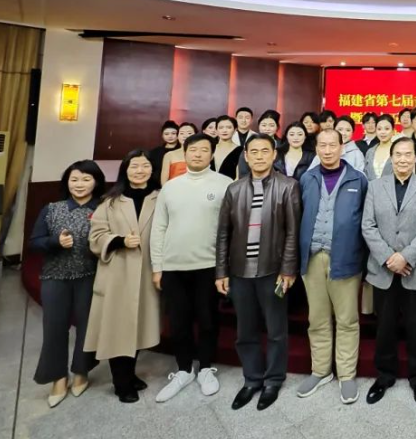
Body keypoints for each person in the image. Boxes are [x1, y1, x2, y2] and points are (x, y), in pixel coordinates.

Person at [216, 134, 301, 411]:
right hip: (240, 272)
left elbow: (292, 232)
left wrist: (288, 269)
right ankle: (251, 379)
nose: (260, 156)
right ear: (246, 155)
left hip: (272, 271)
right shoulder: (234, 189)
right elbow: (223, 233)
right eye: (254, 151)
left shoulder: (288, 186)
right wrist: (221, 272)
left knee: (276, 330)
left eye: (265, 151)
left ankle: (273, 380)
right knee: (245, 330)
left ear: (274, 155)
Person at [150, 133, 230, 403]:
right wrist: (158, 266)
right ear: (184, 153)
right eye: (193, 150)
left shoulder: (225, 184)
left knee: (208, 320)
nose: (198, 154)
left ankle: (206, 368)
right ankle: (183, 370)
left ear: (212, 154)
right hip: (173, 266)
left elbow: (231, 229)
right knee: (179, 321)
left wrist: (225, 268)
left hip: (209, 266)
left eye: (204, 150)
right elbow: (159, 228)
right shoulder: (170, 187)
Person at [362, 137, 416, 407]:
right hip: (382, 269)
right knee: (384, 326)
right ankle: (384, 375)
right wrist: (388, 258)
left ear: (415, 158)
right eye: (398, 154)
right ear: (391, 158)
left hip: (414, 269)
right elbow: (368, 226)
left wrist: (405, 257)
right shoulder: (375, 187)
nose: (403, 159)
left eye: (408, 154)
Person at [296, 129, 369, 405]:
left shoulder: (358, 180)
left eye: (332, 145)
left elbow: (366, 222)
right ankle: (320, 370)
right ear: (316, 149)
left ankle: (346, 374)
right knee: (317, 319)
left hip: (346, 258)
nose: (327, 150)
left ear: (342, 147)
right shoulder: (307, 179)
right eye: (322, 146)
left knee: (347, 320)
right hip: (312, 257)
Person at [85, 150, 161, 403]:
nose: (140, 171)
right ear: (125, 171)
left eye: (145, 166)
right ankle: (121, 382)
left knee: (137, 326)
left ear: (152, 170)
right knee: (118, 328)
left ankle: (130, 373)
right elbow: (95, 237)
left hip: (147, 272)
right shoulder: (110, 201)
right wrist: (119, 240)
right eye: (134, 166)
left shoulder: (160, 197)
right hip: (118, 272)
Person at [30, 160, 106, 407]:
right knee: (54, 328)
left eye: (86, 179)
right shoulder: (52, 209)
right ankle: (58, 378)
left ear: (96, 182)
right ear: (67, 182)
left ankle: (82, 372)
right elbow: (34, 242)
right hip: (55, 276)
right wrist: (55, 242)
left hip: (90, 276)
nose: (79, 184)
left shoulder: (103, 209)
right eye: (74, 179)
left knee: (87, 327)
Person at [160, 122, 197, 186]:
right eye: (182, 133)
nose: (185, 136)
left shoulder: (201, 154)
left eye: (189, 133)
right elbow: (164, 182)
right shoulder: (169, 155)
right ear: (178, 136)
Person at [363, 114, 397, 182]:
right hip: (371, 188)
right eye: (379, 129)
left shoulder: (398, 151)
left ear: (393, 131)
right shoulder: (370, 152)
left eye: (387, 129)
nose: (383, 132)